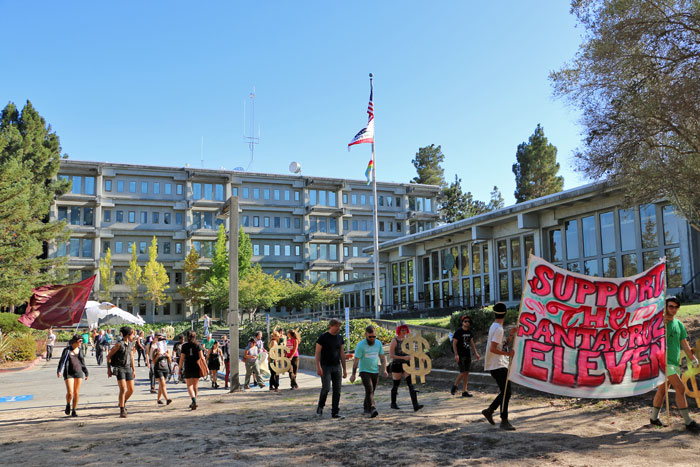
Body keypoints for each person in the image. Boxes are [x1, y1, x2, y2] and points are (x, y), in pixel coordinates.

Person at [649, 296, 700, 432]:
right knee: (681, 389)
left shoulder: (678, 324)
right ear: (665, 307)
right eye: (671, 306)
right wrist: (660, 325)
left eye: (676, 307)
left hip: (674, 362)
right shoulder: (658, 323)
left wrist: (693, 359)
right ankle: (688, 422)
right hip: (663, 362)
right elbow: (648, 338)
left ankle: (653, 418)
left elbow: (684, 344)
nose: (674, 310)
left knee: (662, 390)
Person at [482, 302, 516, 431]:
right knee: (507, 392)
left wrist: (511, 335)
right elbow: (493, 349)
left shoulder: (495, 326)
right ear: (505, 313)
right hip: (497, 364)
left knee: (506, 392)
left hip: (498, 364)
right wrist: (507, 354)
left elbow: (502, 345)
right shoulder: (499, 329)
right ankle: (503, 420)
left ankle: (490, 411)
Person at [350, 325, 388, 418]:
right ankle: (372, 408)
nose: (372, 338)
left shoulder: (378, 343)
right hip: (364, 371)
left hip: (375, 370)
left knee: (371, 390)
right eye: (370, 337)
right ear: (365, 335)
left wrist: (384, 369)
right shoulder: (360, 345)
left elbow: (382, 357)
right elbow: (356, 361)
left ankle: (366, 407)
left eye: (374, 336)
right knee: (369, 389)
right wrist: (353, 374)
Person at [315, 318, 347, 419]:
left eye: (339, 326)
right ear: (331, 326)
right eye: (336, 326)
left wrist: (344, 369)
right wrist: (318, 366)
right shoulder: (323, 337)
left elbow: (342, 353)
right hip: (325, 366)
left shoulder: (339, 338)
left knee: (337, 390)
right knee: (326, 388)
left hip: (337, 366)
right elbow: (317, 352)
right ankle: (320, 406)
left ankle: (335, 412)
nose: (338, 328)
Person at [388, 323, 423, 412]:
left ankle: (415, 405)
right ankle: (393, 403)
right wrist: (403, 357)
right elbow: (391, 355)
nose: (404, 332)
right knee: (396, 384)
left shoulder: (408, 340)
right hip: (397, 364)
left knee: (410, 383)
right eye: (402, 330)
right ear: (398, 331)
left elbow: (412, 351)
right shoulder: (395, 340)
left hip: (407, 364)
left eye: (405, 330)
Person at [107, 326, 136, 418]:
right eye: (132, 334)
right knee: (123, 389)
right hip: (119, 368)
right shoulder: (119, 344)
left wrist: (134, 370)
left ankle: (122, 402)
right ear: (128, 335)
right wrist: (109, 370)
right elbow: (108, 356)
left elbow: (131, 358)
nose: (134, 336)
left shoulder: (130, 344)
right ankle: (122, 409)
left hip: (128, 368)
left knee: (131, 390)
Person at [57, 335, 88, 417]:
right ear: (75, 341)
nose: (81, 342)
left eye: (82, 341)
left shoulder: (80, 350)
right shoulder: (67, 350)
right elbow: (61, 361)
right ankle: (68, 404)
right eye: (80, 341)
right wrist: (59, 370)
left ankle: (74, 410)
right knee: (70, 393)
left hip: (79, 372)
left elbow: (82, 362)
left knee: (76, 392)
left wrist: (86, 372)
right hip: (68, 373)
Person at [451, 315, 481, 397]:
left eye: (468, 321)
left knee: (467, 373)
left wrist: (476, 353)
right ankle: (455, 386)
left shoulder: (469, 332)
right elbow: (454, 343)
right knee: (463, 372)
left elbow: (472, 343)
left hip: (467, 354)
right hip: (460, 355)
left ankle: (464, 391)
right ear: (462, 322)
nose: (467, 323)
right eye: (465, 321)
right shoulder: (458, 332)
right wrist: (456, 354)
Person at [180, 330, 205, 410]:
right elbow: (202, 357)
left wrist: (179, 368)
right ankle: (195, 401)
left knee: (189, 385)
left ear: (187, 337)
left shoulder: (184, 346)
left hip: (188, 366)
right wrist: (206, 367)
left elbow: (182, 359)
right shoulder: (198, 345)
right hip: (196, 366)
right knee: (195, 385)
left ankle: (193, 400)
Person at [150, 333, 172, 405]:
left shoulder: (166, 350)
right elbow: (153, 361)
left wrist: (168, 356)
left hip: (165, 368)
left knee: (161, 385)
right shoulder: (155, 349)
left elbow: (170, 361)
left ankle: (158, 399)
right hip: (158, 368)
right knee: (162, 383)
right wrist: (158, 355)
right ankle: (167, 399)